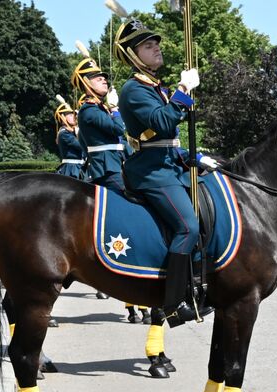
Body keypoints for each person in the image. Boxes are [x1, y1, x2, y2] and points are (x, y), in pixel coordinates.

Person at [112, 14, 205, 326]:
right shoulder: (133, 90)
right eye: (147, 46)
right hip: (150, 172)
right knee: (188, 227)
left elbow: (167, 139)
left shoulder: (155, 86)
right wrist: (182, 90)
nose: (156, 49)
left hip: (168, 164)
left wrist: (197, 157)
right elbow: (163, 122)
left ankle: (197, 284)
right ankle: (174, 304)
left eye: (155, 44)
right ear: (131, 55)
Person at [72, 52, 156, 344]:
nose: (104, 79)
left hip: (118, 162)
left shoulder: (98, 107)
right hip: (105, 168)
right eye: (97, 78)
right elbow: (118, 129)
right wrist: (118, 109)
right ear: (85, 84)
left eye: (104, 76)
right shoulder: (88, 110)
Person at [54, 104, 86, 180]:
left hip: (79, 167)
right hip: (71, 169)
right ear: (63, 117)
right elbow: (81, 146)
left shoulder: (73, 132)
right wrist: (79, 134)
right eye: (71, 115)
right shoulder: (64, 133)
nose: (74, 117)